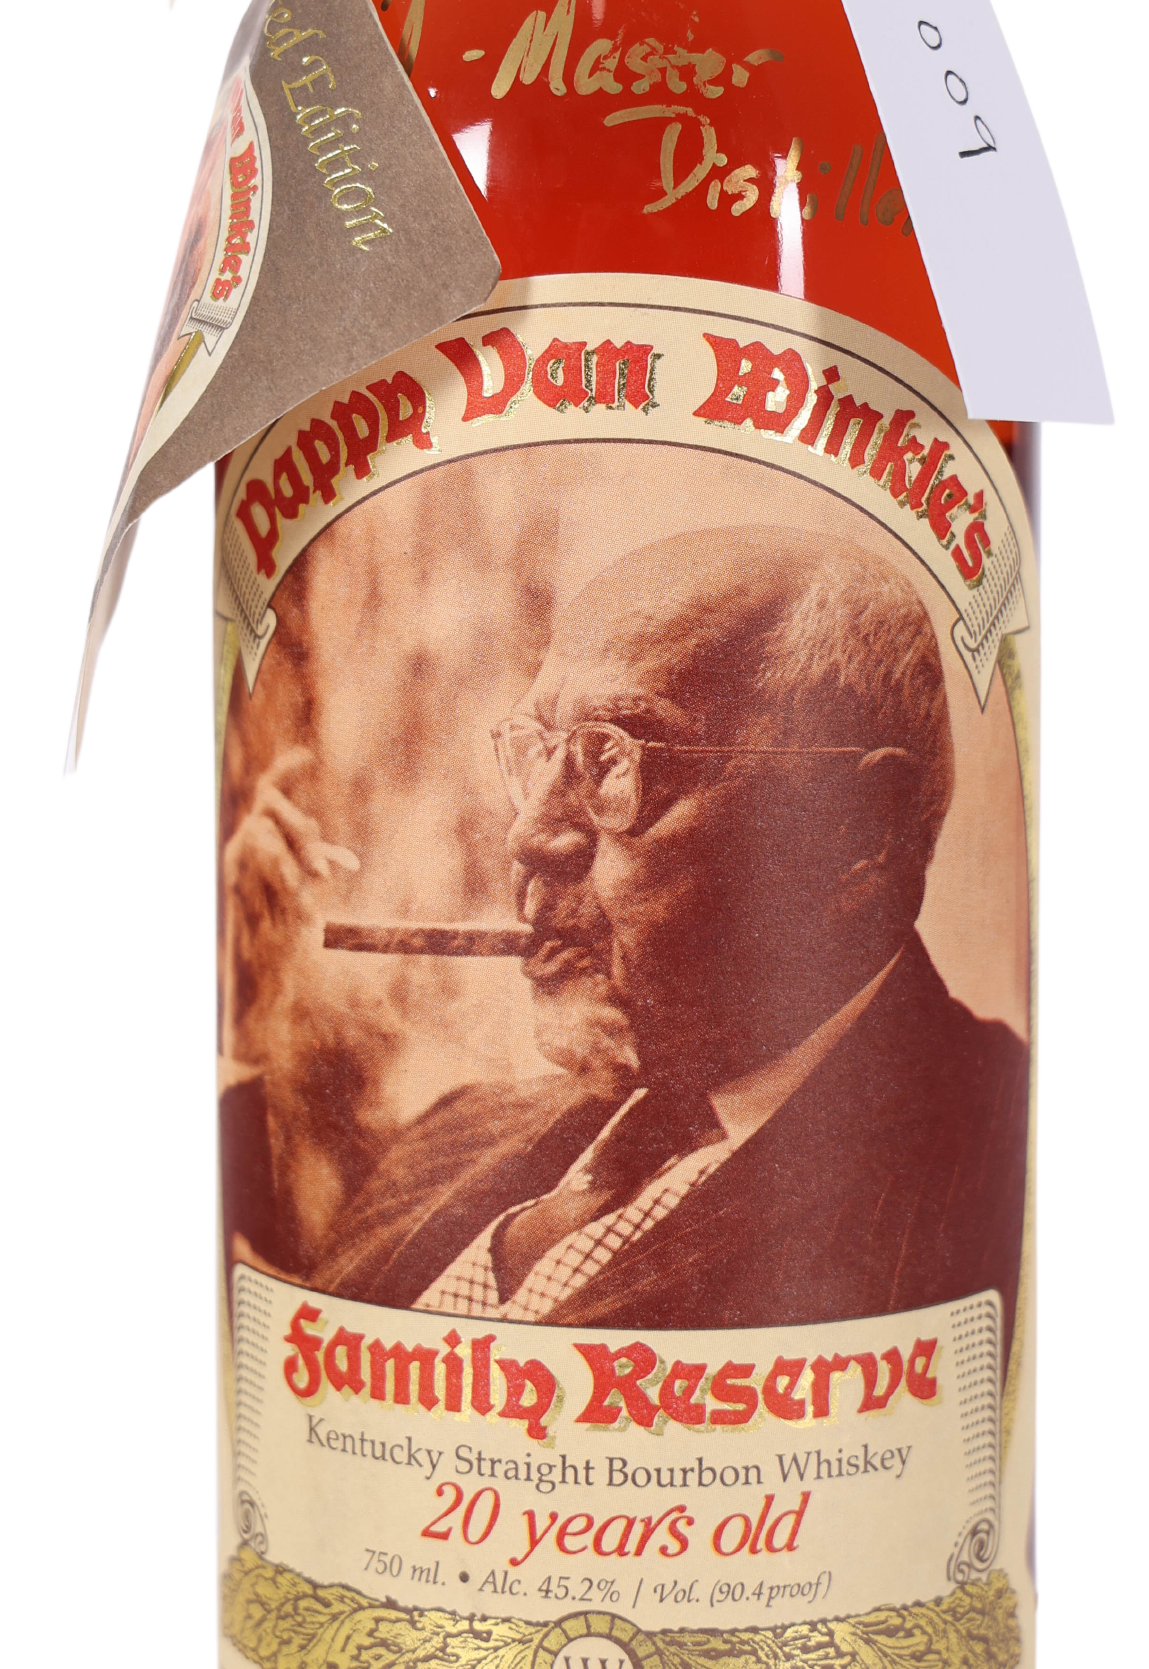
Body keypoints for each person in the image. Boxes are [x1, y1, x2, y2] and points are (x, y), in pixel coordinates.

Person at [311, 531, 1026, 1338]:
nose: (531, 835)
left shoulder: (993, 1174)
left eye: (612, 763)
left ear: (860, 827)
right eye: (539, 754)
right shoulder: (453, 1136)